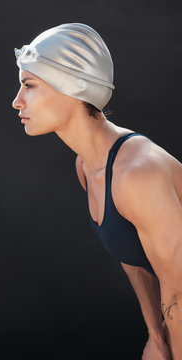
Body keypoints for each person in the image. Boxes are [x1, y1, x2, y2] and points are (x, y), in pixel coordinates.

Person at [12, 23, 182, 360]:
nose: (16, 102)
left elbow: (179, 290)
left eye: (28, 86)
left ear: (73, 89)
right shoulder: (88, 166)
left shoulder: (137, 174)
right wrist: (155, 336)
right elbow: (132, 255)